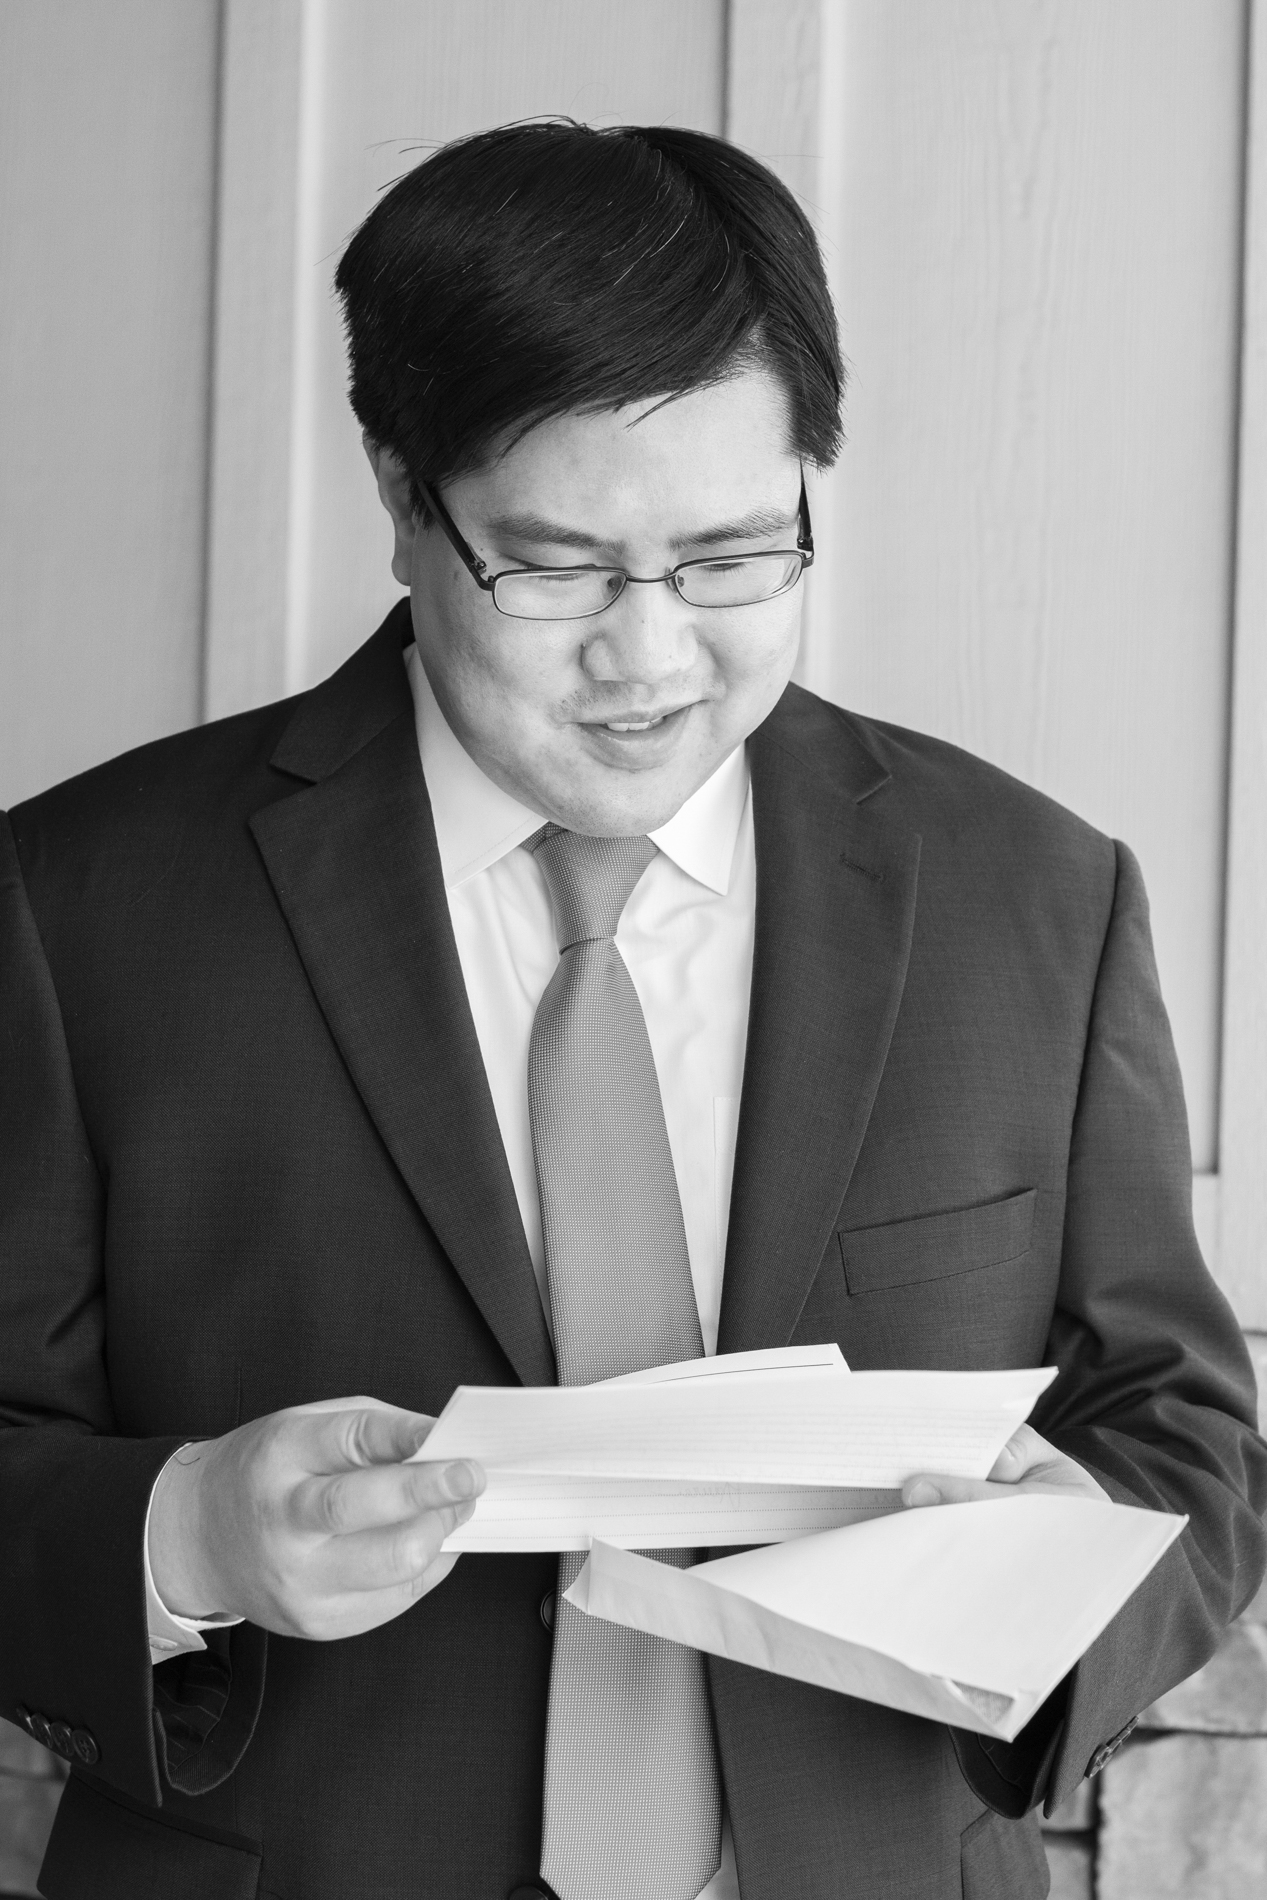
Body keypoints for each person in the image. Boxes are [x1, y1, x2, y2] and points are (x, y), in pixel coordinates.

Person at [0, 120, 1262, 1900]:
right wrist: (182, 1537)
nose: (652, 658)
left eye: (738, 556)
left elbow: (1182, 1429)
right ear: (397, 488)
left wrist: (1062, 1582)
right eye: (561, 565)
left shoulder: (1034, 899)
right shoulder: (78, 908)